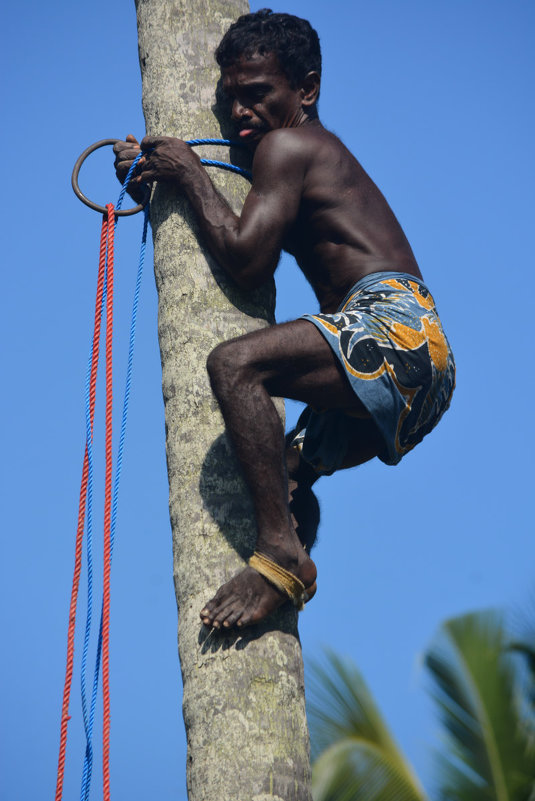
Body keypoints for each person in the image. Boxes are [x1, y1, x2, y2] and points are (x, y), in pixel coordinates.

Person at [114, 9, 455, 630]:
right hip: (426, 367)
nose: (241, 112)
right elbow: (233, 216)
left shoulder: (287, 144)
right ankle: (291, 534)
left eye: (257, 95)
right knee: (285, 469)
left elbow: (245, 259)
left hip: (392, 327)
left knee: (234, 364)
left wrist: (188, 171)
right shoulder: (295, 152)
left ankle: (280, 554)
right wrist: (155, 184)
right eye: (231, 99)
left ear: (307, 89)